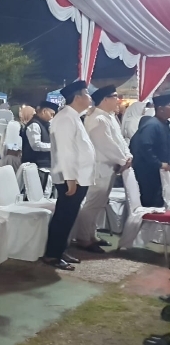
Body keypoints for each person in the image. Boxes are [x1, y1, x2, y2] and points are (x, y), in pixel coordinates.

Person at [43, 80, 95, 270]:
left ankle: (60, 250)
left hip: (77, 176)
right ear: (78, 97)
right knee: (64, 216)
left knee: (69, 216)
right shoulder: (66, 118)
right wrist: (70, 178)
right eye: (87, 94)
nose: (90, 97)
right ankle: (52, 255)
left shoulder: (73, 116)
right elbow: (66, 151)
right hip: (71, 178)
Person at [74, 86, 131, 253]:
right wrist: (123, 159)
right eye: (115, 96)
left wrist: (127, 156)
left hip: (109, 167)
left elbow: (120, 141)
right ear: (105, 99)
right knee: (92, 204)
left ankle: (91, 235)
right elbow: (106, 145)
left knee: (99, 204)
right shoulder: (97, 119)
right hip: (99, 167)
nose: (118, 100)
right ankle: (83, 238)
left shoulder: (108, 117)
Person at [129, 94, 170, 208]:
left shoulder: (163, 124)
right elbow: (144, 147)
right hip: (149, 171)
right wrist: (159, 163)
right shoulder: (152, 125)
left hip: (158, 171)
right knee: (152, 202)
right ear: (161, 109)